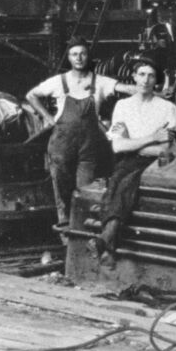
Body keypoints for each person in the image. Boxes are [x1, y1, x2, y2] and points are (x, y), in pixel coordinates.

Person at [26, 37, 137, 225]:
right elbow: (31, 95)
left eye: (83, 53)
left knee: (85, 190)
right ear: (69, 57)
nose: (79, 58)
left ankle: (81, 232)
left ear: (88, 56)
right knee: (62, 189)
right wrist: (48, 118)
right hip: (62, 146)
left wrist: (151, 90)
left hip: (89, 147)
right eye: (74, 54)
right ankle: (64, 229)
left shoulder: (100, 82)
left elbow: (124, 87)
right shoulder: (58, 81)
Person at [93, 58, 176, 265]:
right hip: (127, 160)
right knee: (115, 185)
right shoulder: (122, 107)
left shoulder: (167, 108)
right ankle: (107, 246)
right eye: (141, 74)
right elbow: (117, 146)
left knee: (126, 184)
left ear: (156, 81)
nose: (145, 80)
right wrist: (151, 137)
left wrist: (133, 142)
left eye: (151, 75)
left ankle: (105, 242)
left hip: (153, 163)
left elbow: (164, 149)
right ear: (134, 78)